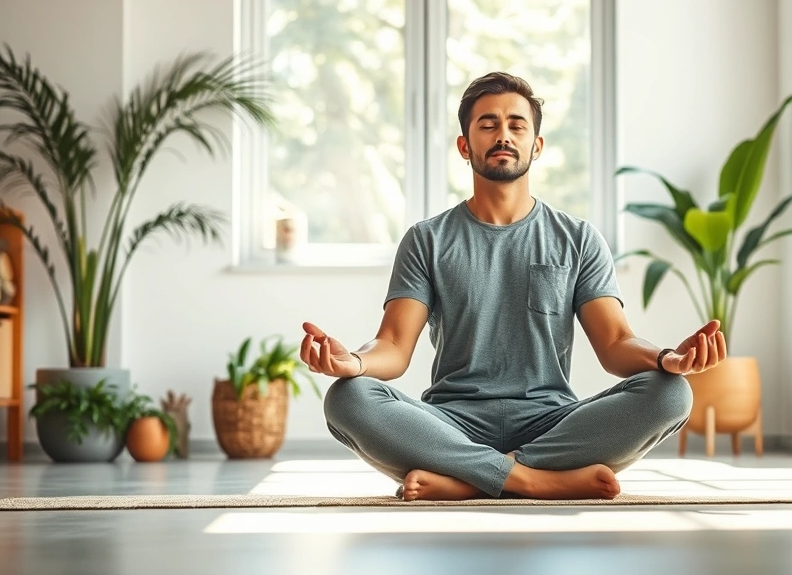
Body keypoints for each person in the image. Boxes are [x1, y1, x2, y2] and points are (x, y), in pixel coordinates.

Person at [299, 71, 726, 502]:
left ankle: (468, 479)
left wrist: (667, 358)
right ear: (464, 146)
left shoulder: (579, 238)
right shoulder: (427, 239)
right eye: (488, 125)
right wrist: (354, 362)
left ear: (536, 146)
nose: (503, 135)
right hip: (451, 423)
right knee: (348, 398)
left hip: (552, 423)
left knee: (670, 394)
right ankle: (535, 481)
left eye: (516, 125)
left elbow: (616, 343)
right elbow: (393, 344)